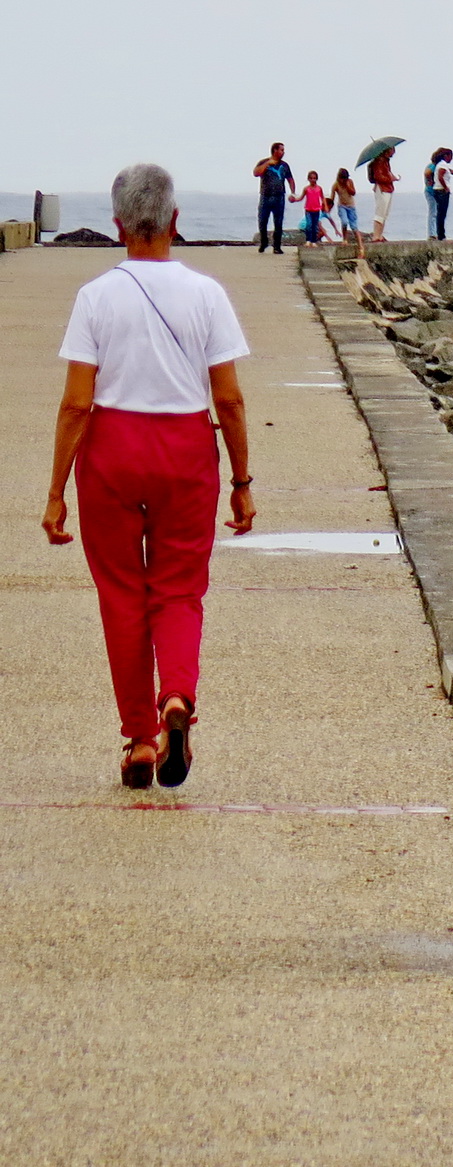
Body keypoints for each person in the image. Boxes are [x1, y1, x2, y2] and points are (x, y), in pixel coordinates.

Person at [42, 164, 256, 789]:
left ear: (117, 226)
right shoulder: (207, 294)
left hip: (111, 451)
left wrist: (56, 492)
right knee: (179, 588)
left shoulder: (95, 296)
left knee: (121, 593)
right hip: (185, 451)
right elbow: (231, 399)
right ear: (174, 221)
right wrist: (241, 482)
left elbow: (77, 402)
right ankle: (178, 699)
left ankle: (138, 738)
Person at [252, 141, 294, 253]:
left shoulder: (284, 165)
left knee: (278, 222)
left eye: (283, 150)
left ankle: (277, 246)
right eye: (281, 150)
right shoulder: (263, 162)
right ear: (275, 150)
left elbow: (290, 179)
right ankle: (264, 242)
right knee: (262, 220)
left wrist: (293, 193)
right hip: (265, 196)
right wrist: (267, 164)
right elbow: (256, 173)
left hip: (279, 197)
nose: (283, 152)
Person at [367, 145, 398, 241]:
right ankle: (376, 235)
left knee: (384, 213)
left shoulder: (385, 162)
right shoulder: (380, 162)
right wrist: (391, 178)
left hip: (386, 188)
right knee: (380, 212)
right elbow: (378, 176)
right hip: (382, 188)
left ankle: (379, 235)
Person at [292, 170, 327, 246]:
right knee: (309, 225)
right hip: (308, 209)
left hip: (316, 209)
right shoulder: (306, 188)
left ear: (316, 179)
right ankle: (308, 240)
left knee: (315, 226)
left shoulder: (319, 188)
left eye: (314, 178)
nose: (313, 180)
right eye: (311, 178)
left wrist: (325, 206)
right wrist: (295, 200)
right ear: (308, 179)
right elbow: (301, 197)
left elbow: (322, 198)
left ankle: (314, 241)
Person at [331, 168, 360, 241]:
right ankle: (345, 239)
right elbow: (332, 197)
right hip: (342, 205)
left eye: (344, 179)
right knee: (344, 222)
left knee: (353, 225)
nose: (342, 181)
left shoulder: (349, 182)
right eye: (341, 179)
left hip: (351, 206)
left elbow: (353, 193)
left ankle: (358, 241)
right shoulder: (336, 185)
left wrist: (348, 186)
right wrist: (329, 207)